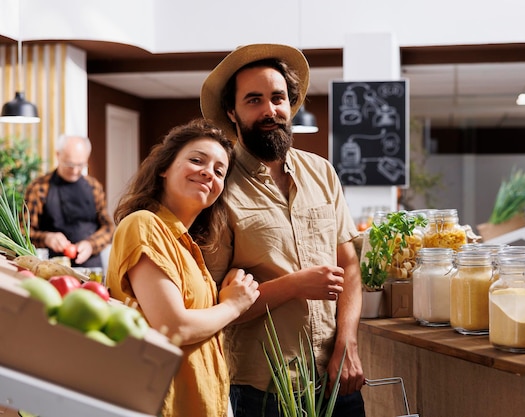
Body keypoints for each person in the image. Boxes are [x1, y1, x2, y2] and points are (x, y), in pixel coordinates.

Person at [200, 44, 366, 417]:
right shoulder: (218, 188)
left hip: (337, 376)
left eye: (277, 98)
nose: (269, 110)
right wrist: (292, 286)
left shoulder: (321, 172)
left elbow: (349, 266)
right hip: (264, 390)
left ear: (290, 103)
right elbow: (213, 307)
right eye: (253, 100)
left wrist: (348, 342)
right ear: (232, 111)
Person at [106, 118, 260, 417]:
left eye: (219, 171)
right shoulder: (144, 224)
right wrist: (233, 305)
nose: (208, 172)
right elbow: (173, 327)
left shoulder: (186, 245)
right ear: (164, 168)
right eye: (196, 160)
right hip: (164, 405)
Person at [24, 134, 114, 268]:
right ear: (58, 155)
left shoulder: (94, 187)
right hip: (51, 267)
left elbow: (108, 228)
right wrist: (47, 238)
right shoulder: (39, 188)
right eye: (70, 164)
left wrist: (91, 245)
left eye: (80, 165)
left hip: (90, 269)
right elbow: (22, 231)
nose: (75, 170)